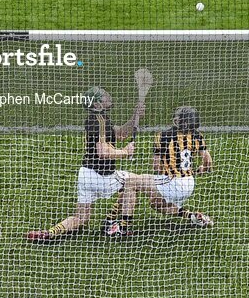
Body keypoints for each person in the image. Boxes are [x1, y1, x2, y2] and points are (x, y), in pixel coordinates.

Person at [25, 86, 144, 242]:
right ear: (96, 104)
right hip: (101, 176)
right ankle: (119, 225)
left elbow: (121, 133)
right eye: (104, 96)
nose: (109, 96)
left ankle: (50, 233)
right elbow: (103, 153)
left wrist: (135, 117)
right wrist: (125, 152)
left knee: (81, 218)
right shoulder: (99, 121)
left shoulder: (98, 119)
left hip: (86, 174)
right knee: (134, 182)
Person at [105, 105, 214, 237]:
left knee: (131, 182)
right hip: (189, 184)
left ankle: (122, 226)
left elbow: (156, 167)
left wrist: (167, 171)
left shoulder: (163, 136)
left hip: (173, 182)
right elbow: (208, 162)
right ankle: (192, 216)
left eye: (180, 117)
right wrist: (201, 169)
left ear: (184, 122)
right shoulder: (198, 136)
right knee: (156, 203)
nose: (176, 118)